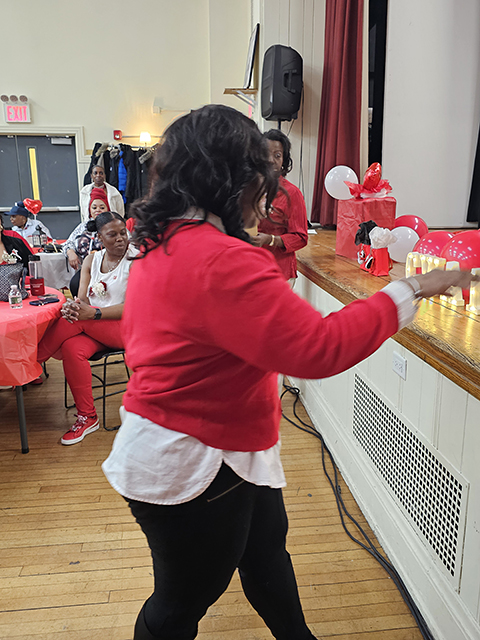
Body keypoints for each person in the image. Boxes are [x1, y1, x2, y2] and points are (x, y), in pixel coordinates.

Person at [101, 104, 478, 640]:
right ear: (239, 177)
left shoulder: (168, 241)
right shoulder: (218, 258)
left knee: (266, 557)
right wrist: (412, 287)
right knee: (178, 607)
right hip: (195, 459)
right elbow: (318, 348)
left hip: (220, 448)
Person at [38, 212, 137, 445]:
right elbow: (82, 299)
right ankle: (87, 417)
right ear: (99, 237)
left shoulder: (136, 260)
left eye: (123, 233)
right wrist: (73, 307)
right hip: (95, 327)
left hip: (126, 329)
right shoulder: (91, 261)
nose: (120, 238)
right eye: (112, 234)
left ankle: (32, 363)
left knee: (76, 320)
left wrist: (92, 313)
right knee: (72, 347)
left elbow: (135, 307)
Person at [251, 129, 308, 285]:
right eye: (266, 154)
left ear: (284, 160)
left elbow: (300, 238)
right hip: (251, 268)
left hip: (279, 272)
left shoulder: (292, 194)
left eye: (277, 155)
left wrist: (271, 240)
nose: (271, 160)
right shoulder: (250, 189)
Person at [63, 188, 110, 271]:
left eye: (102, 208)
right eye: (94, 207)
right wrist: (70, 252)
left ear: (108, 209)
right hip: (86, 268)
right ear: (90, 209)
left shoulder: (114, 225)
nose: (98, 210)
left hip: (109, 268)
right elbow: (68, 243)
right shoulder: (83, 226)